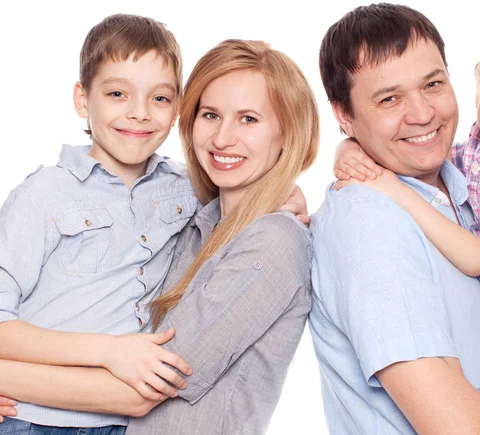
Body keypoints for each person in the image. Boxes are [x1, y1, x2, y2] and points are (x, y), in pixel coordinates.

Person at [0, 38, 319, 435]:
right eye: (211, 115)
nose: (222, 139)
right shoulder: (195, 214)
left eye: (249, 119)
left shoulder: (271, 238)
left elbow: (144, 389)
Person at [308, 3, 480, 434]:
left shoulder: (461, 182)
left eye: (433, 84)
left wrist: (355, 152)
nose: (422, 114)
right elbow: (460, 427)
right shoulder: (369, 222)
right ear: (344, 115)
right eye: (389, 98)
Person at [0, 13, 196, 433]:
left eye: (159, 99)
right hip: (33, 419)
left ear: (178, 107)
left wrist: (344, 153)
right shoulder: (44, 194)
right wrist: (109, 351)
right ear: (83, 99)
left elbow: (254, 191)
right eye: (117, 93)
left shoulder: (186, 190)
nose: (139, 113)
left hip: (126, 423)